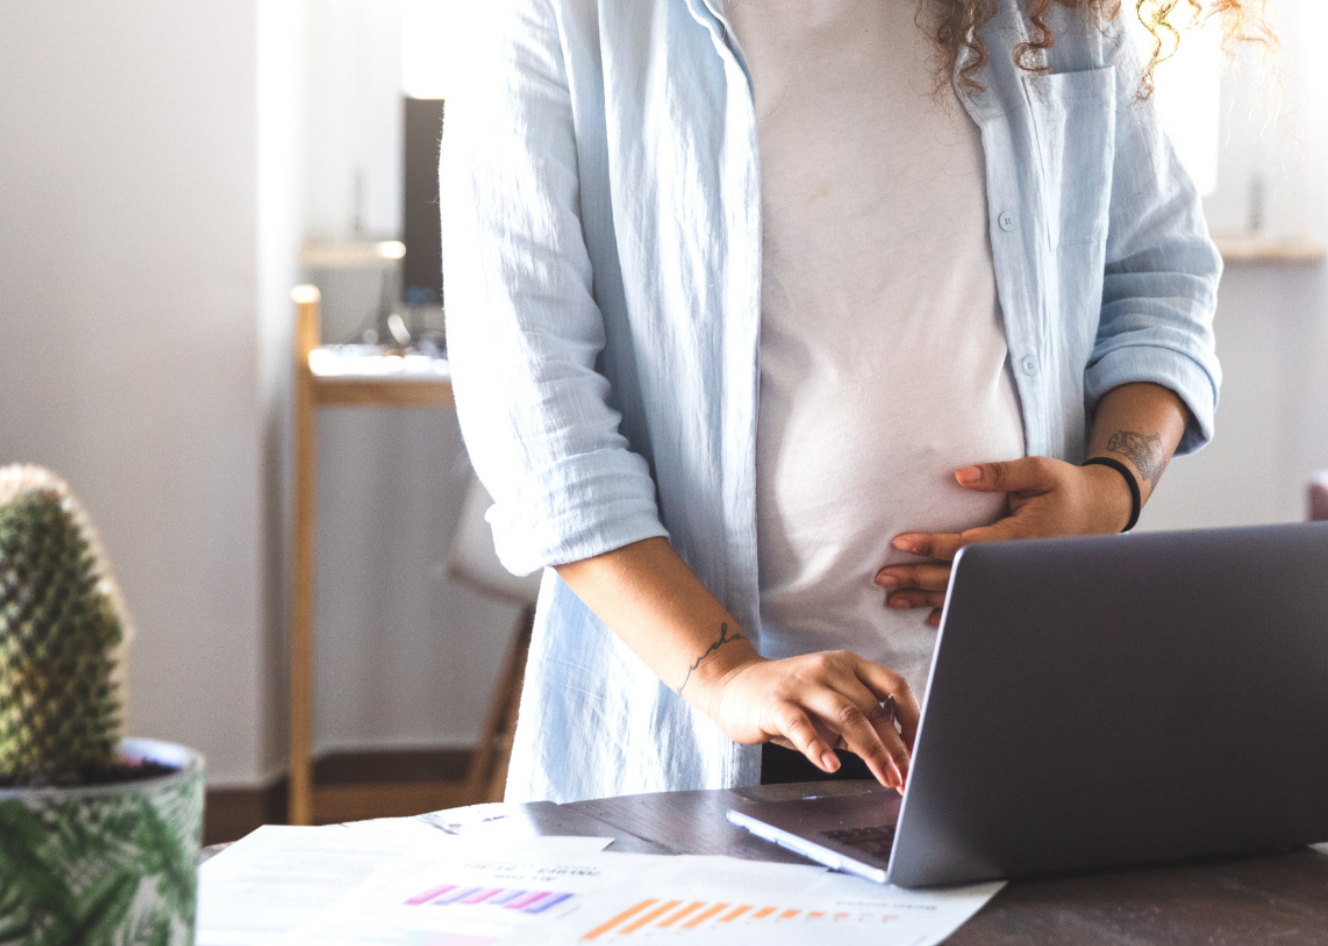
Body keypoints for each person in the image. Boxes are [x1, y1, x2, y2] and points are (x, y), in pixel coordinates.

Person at [442, 0, 1263, 804]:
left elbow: (1160, 284)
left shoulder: (1054, 11)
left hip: (1017, 701)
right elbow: (540, 420)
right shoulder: (550, 14)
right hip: (707, 738)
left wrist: (1109, 491)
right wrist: (728, 674)